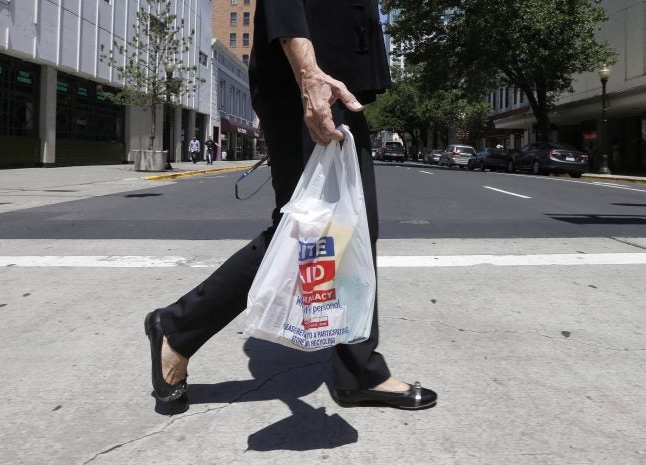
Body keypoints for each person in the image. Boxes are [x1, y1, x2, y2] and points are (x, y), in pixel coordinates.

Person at [144, 0, 437, 412]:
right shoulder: (309, 77)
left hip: (335, 79)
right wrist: (309, 75)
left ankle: (357, 368)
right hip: (307, 77)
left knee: (346, 227)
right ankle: (176, 328)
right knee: (307, 228)